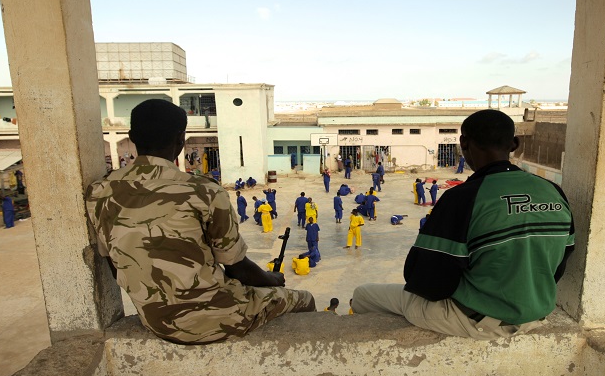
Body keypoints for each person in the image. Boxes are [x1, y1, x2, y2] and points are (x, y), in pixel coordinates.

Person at [84, 99, 315, 344]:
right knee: (304, 298)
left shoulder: (99, 191)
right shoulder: (203, 191)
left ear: (131, 137)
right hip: (213, 319)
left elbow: (114, 264)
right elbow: (238, 268)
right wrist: (273, 281)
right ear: (180, 140)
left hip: (154, 320)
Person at [351, 109, 575, 340]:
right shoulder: (553, 191)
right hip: (536, 313)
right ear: (514, 143)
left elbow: (425, 280)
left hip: (477, 320)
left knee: (363, 295)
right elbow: (561, 261)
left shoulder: (464, 197)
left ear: (464, 143)